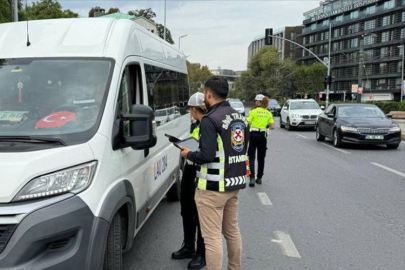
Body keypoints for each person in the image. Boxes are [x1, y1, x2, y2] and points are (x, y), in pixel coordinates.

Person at [180, 76, 249, 270]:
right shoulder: (239, 117)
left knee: (211, 238)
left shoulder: (210, 120)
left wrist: (188, 154)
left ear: (208, 94)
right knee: (232, 231)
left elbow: (206, 155)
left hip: (212, 187)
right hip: (233, 184)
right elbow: (241, 149)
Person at [172, 92, 207, 270]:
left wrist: (190, 152)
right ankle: (188, 246)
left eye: (190, 110)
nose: (189, 113)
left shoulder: (209, 125)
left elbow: (207, 152)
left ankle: (202, 253)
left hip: (201, 171)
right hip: (190, 168)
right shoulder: (197, 124)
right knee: (186, 208)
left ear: (194, 109)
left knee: (200, 213)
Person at [247, 94, 275, 187]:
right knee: (261, 158)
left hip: (253, 135)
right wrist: (265, 125)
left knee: (251, 157)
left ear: (258, 102)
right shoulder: (268, 113)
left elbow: (248, 123)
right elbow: (272, 127)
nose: (255, 102)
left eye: (255, 101)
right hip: (263, 136)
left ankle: (251, 178)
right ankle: (259, 178)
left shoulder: (253, 112)